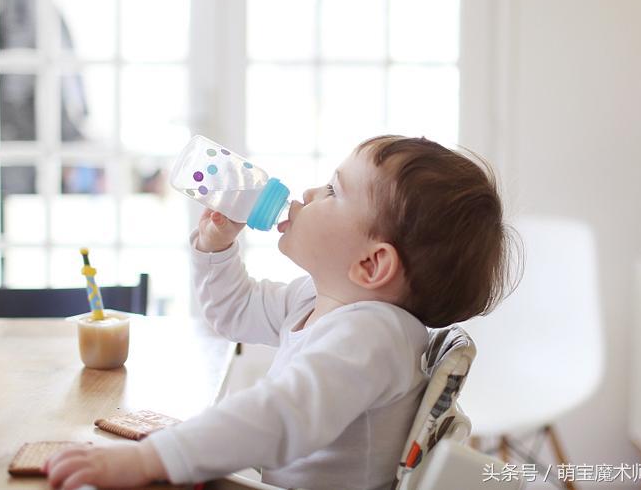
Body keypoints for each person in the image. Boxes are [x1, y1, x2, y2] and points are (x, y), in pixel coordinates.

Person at [45, 135, 516, 490]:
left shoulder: (374, 336)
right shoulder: (318, 299)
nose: (309, 193)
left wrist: (149, 460)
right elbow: (235, 310)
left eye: (333, 190)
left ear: (371, 263)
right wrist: (216, 249)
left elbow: (279, 415)